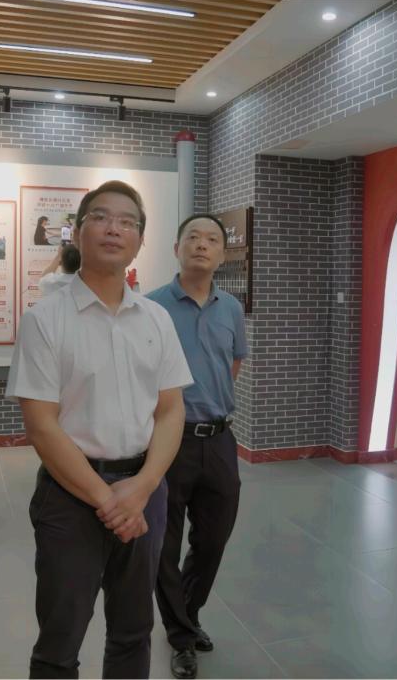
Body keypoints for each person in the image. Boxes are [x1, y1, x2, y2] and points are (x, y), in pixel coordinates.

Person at [7, 180, 193, 679]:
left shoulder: (156, 319)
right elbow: (41, 426)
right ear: (77, 232)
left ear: (140, 240)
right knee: (60, 639)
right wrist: (108, 500)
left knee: (134, 631)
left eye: (128, 222)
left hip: (144, 490)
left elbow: (170, 411)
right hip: (70, 496)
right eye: (102, 218)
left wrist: (145, 486)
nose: (114, 229)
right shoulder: (45, 319)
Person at [147, 215, 246, 680]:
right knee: (163, 544)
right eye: (193, 238)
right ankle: (182, 634)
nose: (202, 245)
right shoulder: (151, 307)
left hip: (220, 438)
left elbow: (234, 363)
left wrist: (211, 400)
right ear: (176, 248)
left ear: (223, 254)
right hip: (169, 441)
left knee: (213, 539)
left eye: (212, 240)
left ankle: (185, 613)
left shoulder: (232, 308)